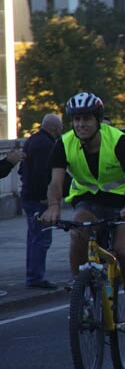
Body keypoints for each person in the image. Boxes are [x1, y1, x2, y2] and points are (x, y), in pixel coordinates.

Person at [41, 93, 125, 342]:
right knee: (77, 230)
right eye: (77, 119)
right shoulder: (63, 143)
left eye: (87, 119)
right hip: (90, 200)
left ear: (98, 120)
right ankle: (82, 297)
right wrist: (53, 207)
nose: (81, 124)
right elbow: (56, 182)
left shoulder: (119, 142)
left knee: (124, 252)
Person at [20, 116, 58, 289]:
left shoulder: (32, 140)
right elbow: (42, 173)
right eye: (60, 128)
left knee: (34, 237)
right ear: (55, 128)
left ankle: (33, 274)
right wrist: (46, 197)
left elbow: (23, 170)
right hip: (38, 199)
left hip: (28, 195)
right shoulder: (46, 145)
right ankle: (36, 277)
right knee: (41, 239)